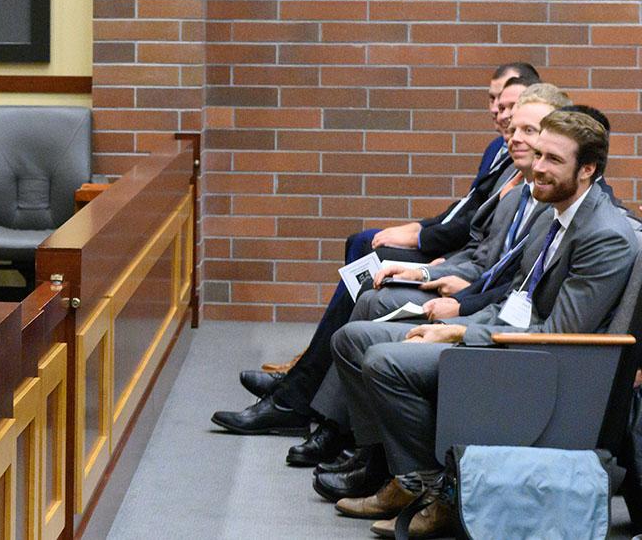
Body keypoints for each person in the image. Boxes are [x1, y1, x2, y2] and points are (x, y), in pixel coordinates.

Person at [331, 110, 638, 537]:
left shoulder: (604, 235)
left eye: (553, 159)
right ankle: (409, 476)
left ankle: (444, 491)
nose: (538, 167)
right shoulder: (553, 212)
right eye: (539, 154)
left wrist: (460, 331)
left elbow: (557, 336)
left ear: (587, 170)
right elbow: (515, 296)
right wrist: (457, 318)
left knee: (385, 361)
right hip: (504, 335)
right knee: (352, 339)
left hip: (537, 365)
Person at [212, 76, 534, 442]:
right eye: (497, 104)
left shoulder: (533, 183)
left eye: (516, 113)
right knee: (364, 248)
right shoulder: (502, 154)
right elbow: (469, 217)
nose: (502, 115)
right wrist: (424, 236)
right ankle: (306, 378)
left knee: (372, 266)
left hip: (473, 285)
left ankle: (305, 397)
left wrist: (436, 259)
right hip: (462, 266)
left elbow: (484, 244)